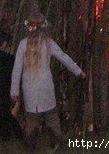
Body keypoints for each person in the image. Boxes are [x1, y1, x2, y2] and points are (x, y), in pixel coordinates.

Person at [11, 12, 85, 150]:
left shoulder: (23, 44)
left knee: (32, 119)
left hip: (29, 88)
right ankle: (56, 143)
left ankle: (30, 145)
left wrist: (14, 91)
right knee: (51, 117)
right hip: (45, 87)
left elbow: (17, 69)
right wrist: (79, 72)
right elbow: (63, 57)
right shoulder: (48, 43)